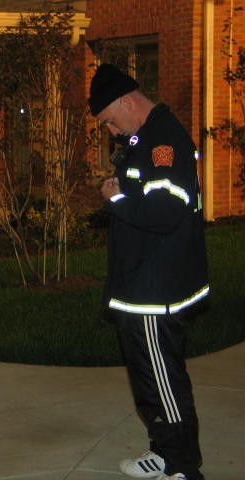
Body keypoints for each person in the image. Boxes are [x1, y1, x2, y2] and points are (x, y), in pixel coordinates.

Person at [90, 64, 210, 480]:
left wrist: (116, 200)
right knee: (147, 375)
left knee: (163, 378)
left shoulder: (165, 140)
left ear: (126, 101)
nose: (110, 130)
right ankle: (162, 450)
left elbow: (164, 208)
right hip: (140, 282)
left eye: (108, 120)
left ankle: (182, 466)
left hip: (156, 287)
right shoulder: (145, 138)